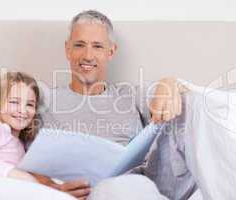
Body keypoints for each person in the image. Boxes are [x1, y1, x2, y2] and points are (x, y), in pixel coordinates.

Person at [34, 10, 195, 200]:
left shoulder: (130, 95)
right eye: (79, 45)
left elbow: (180, 92)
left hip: (132, 189)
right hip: (73, 191)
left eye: (97, 46)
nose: (87, 55)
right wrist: (50, 187)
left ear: (111, 52)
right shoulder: (44, 101)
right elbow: (16, 155)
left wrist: (168, 82)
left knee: (194, 108)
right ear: (67, 50)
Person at [0, 72, 76, 200]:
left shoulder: (20, 143)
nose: (22, 110)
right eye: (14, 102)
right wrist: (17, 175)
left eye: (29, 104)